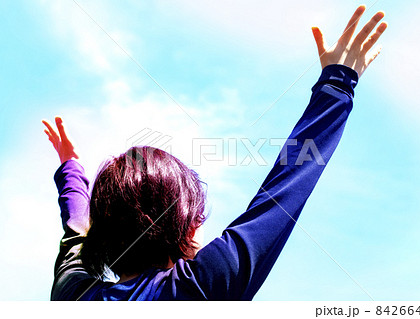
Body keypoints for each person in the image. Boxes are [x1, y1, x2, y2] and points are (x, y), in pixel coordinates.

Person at [43, 5, 387, 300]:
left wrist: (70, 169)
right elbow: (285, 188)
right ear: (189, 229)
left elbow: (76, 232)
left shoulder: (72, 294)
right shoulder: (203, 286)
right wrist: (339, 82)